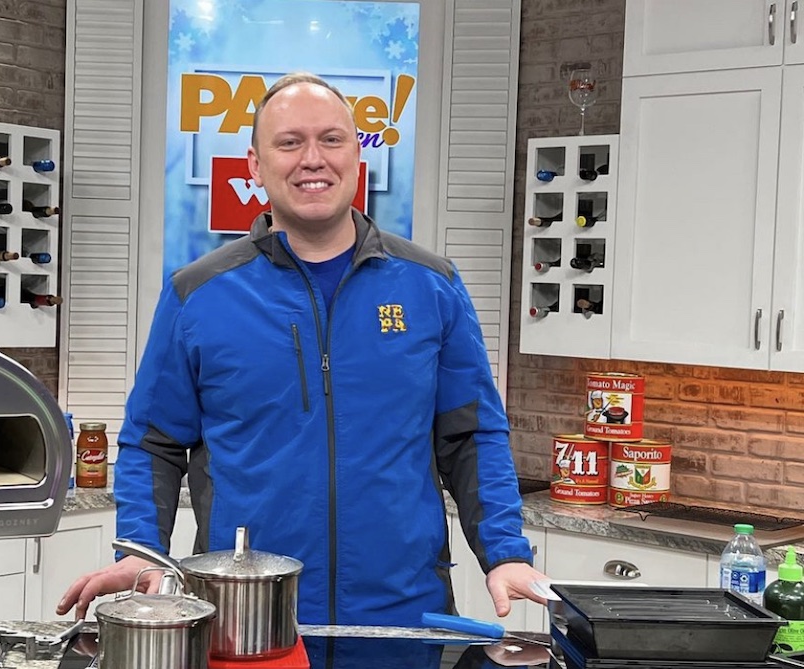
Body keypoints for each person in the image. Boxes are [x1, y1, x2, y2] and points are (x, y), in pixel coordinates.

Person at [57, 72, 547, 627]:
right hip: (242, 613)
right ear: (255, 165)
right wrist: (141, 551)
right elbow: (154, 443)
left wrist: (504, 551)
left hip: (402, 610)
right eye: (289, 143)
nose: (313, 159)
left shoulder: (431, 285)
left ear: (357, 156)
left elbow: (471, 434)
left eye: (332, 140)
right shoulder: (199, 293)